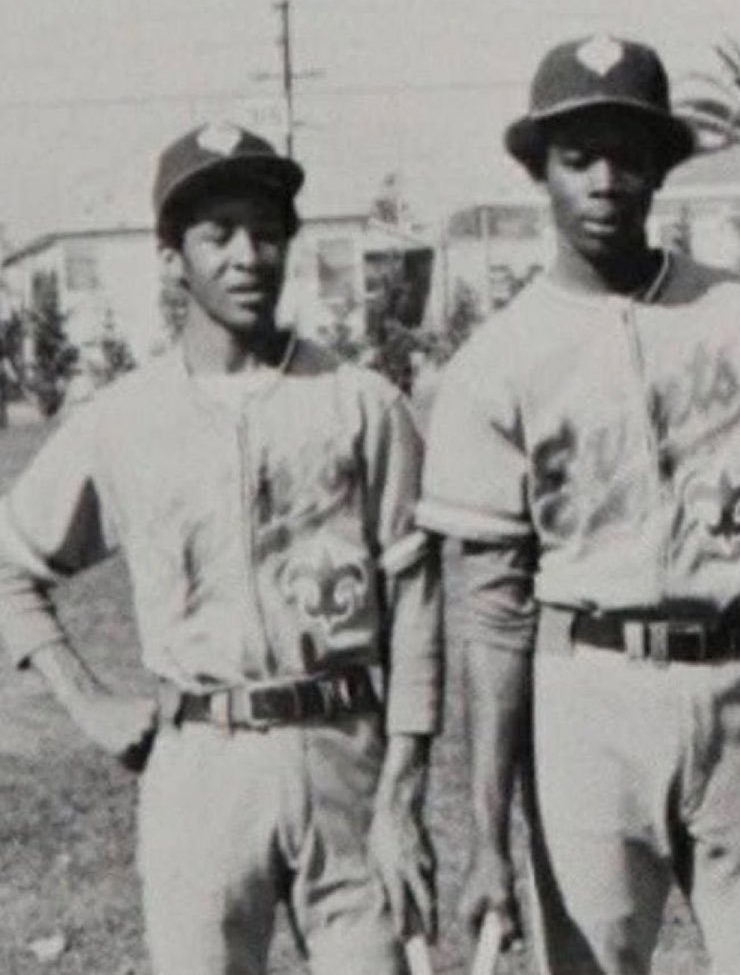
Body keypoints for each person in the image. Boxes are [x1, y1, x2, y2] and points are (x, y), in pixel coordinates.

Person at [417, 36, 740, 974]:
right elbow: (494, 615)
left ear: (663, 168)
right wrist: (488, 836)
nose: (604, 181)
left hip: (738, 685)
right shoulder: (497, 360)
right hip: (587, 699)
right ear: (539, 173)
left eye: (629, 154)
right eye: (577, 158)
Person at [0, 121, 442, 975]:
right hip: (203, 763)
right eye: (219, 235)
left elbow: (416, 603)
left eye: (267, 232)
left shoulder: (361, 403)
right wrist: (88, 701)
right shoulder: (124, 421)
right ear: (173, 260)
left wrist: (404, 788)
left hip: (343, 748)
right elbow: (12, 563)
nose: (248, 256)